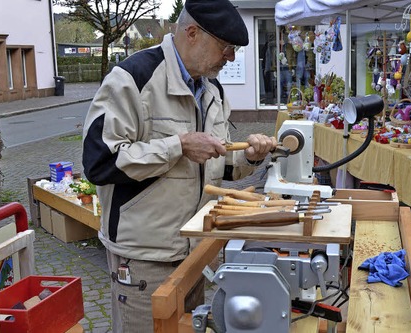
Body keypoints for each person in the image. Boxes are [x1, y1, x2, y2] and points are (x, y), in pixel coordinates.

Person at [81, 1, 277, 331]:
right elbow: (99, 161)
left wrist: (250, 157)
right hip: (145, 256)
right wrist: (179, 145)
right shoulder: (133, 79)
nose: (230, 58)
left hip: (194, 249)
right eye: (226, 47)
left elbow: (218, 163)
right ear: (191, 33)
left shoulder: (212, 88)